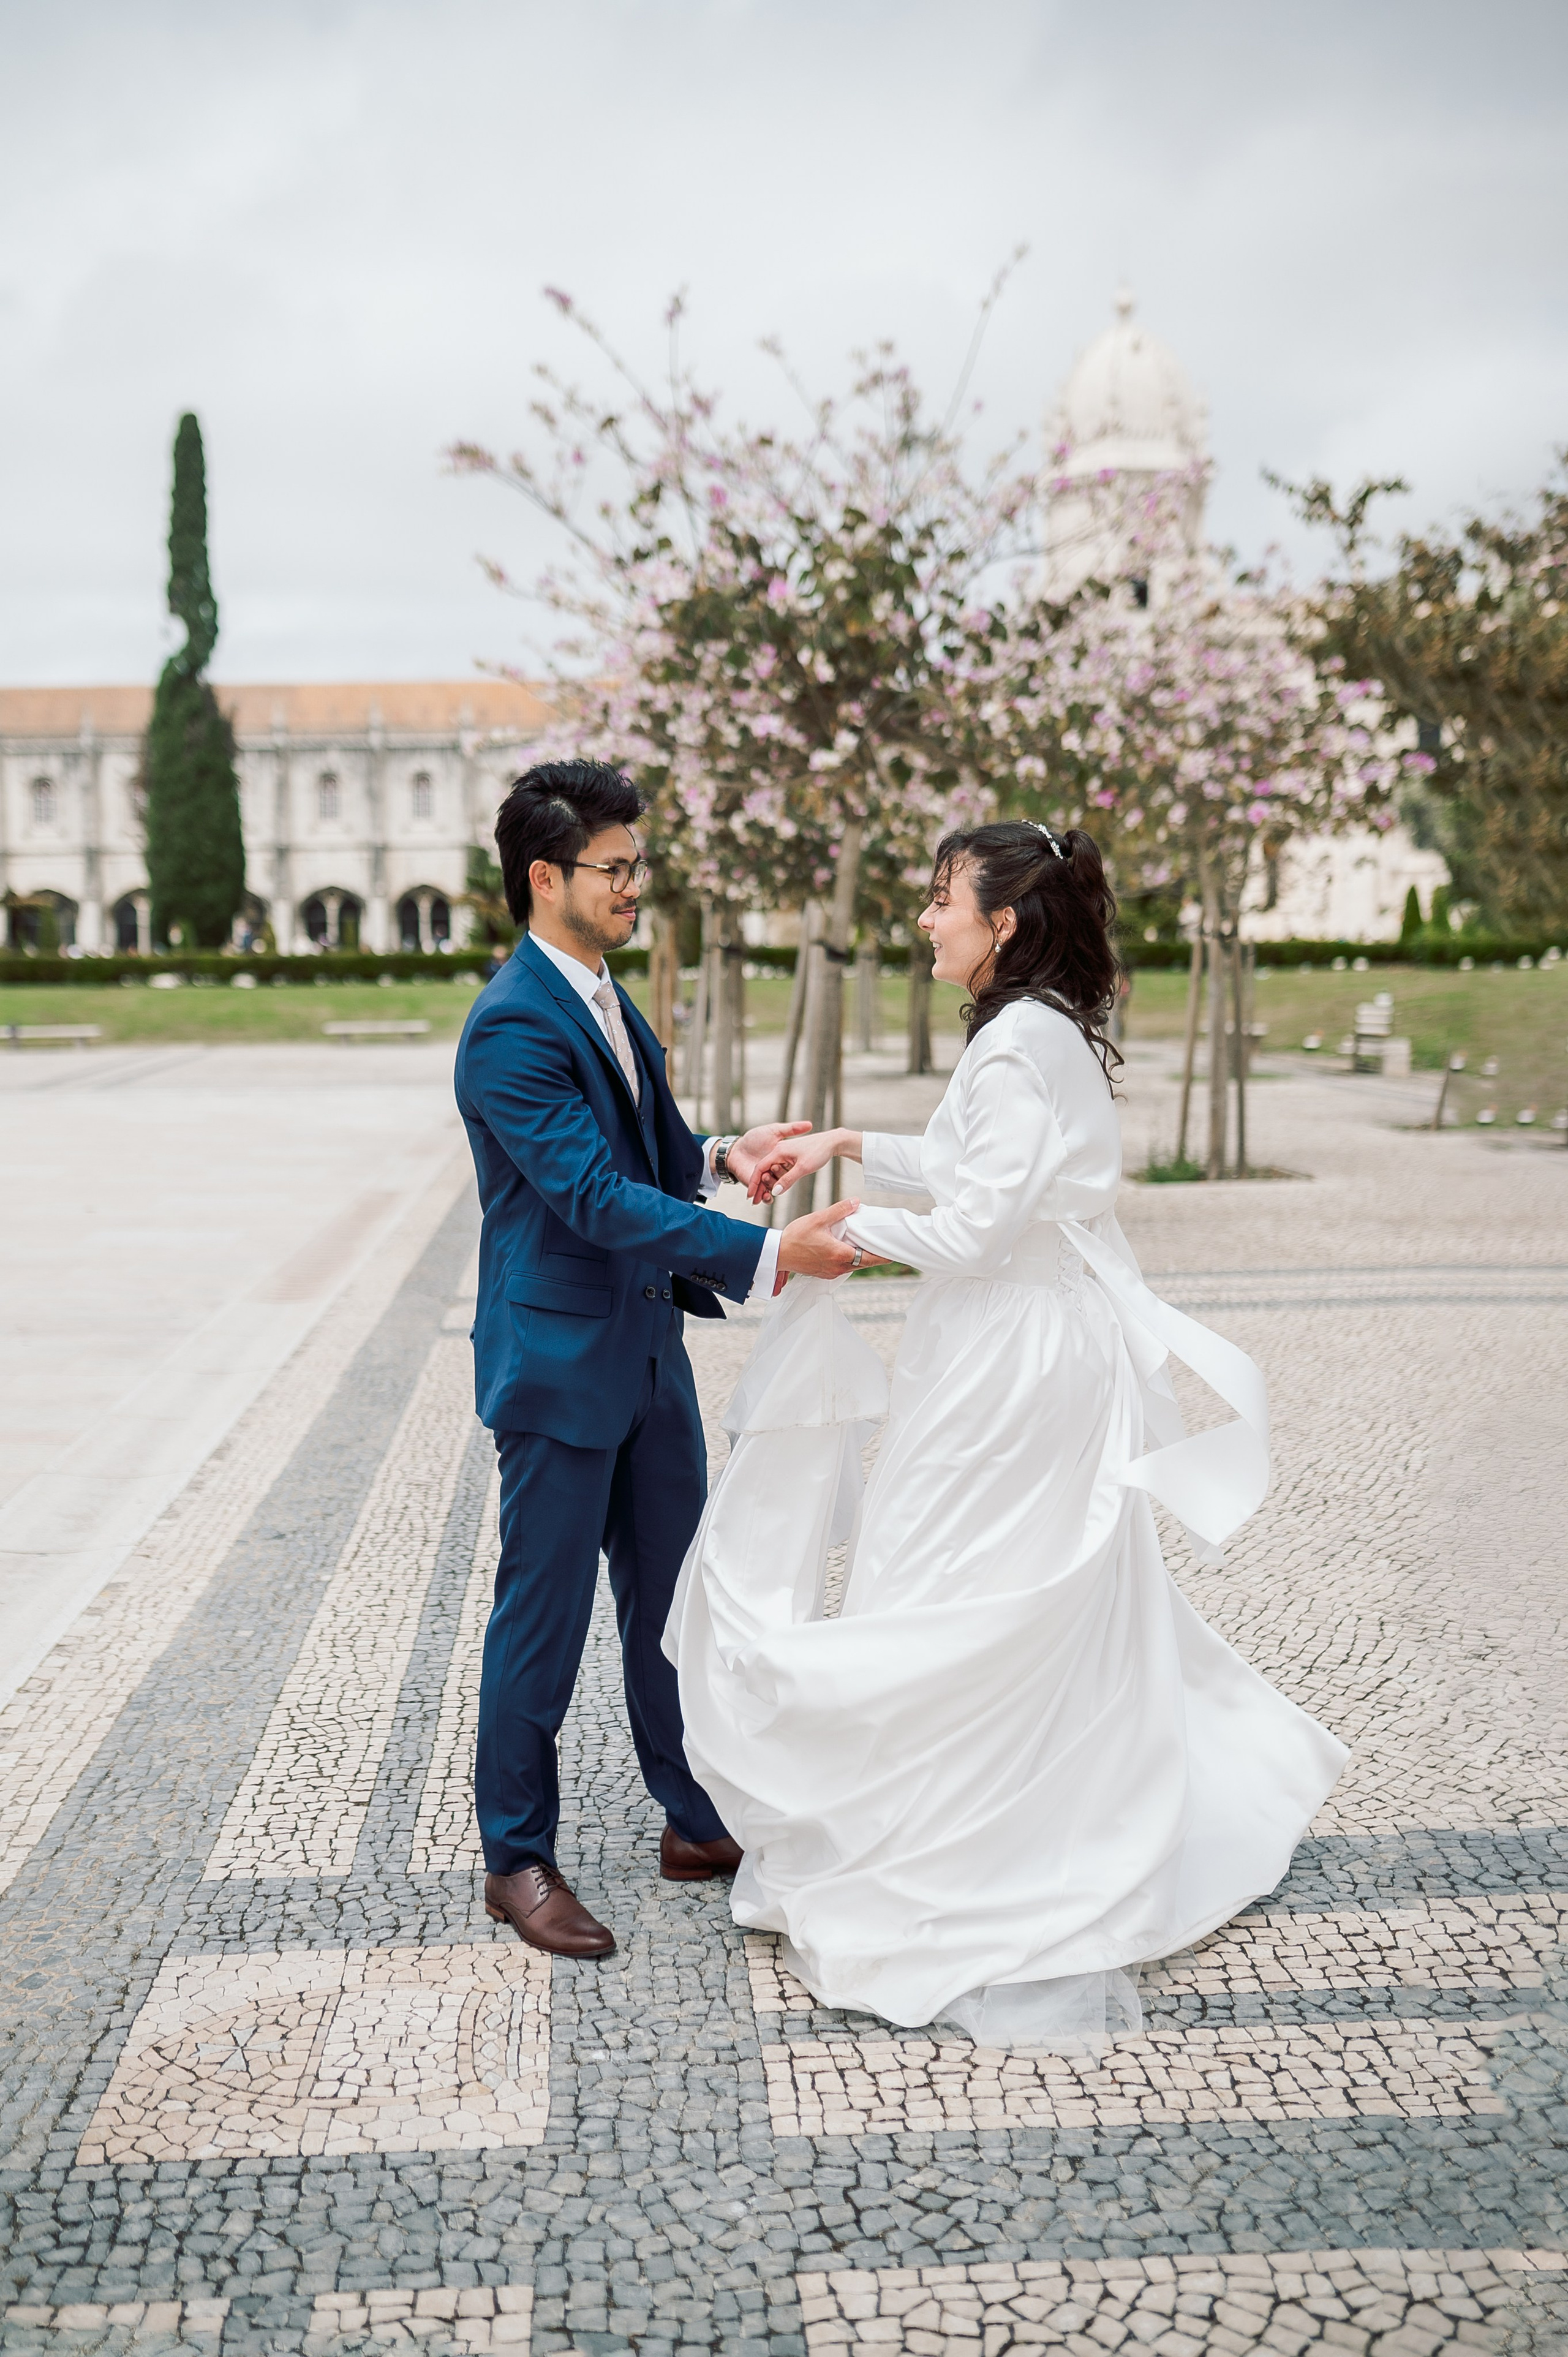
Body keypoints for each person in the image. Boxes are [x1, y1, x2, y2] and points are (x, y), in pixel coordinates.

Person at [665, 820, 1348, 2045]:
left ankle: (957, 1846)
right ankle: (989, 1807)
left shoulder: (1020, 1043)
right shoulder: (1035, 1031)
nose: (925, 919)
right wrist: (847, 1143)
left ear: (1005, 922)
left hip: (1014, 1362)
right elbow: (979, 1168)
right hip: (1024, 1340)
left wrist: (844, 1231)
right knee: (984, 1575)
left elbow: (976, 1230)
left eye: (943, 898)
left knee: (953, 1572)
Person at [454, 760, 854, 1961]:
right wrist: (769, 1254)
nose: (636, 886)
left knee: (676, 1601)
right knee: (542, 1619)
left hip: (645, 1354)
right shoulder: (511, 1024)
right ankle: (516, 1859)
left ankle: (691, 1816)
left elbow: (649, 1147)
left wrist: (725, 1152)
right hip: (557, 1366)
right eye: (615, 868)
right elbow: (588, 1194)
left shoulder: (602, 996)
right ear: (545, 876)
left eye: (640, 864)